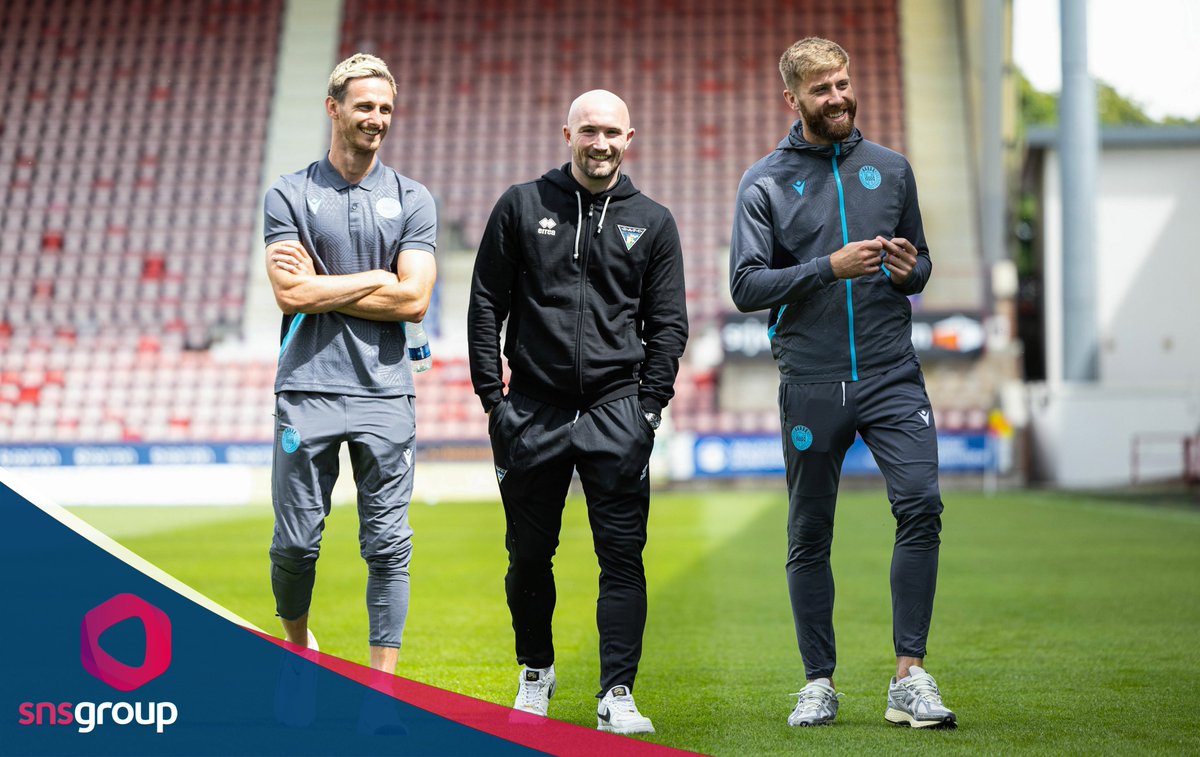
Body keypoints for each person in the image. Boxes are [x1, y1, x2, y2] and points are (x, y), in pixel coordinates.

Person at [729, 38, 956, 729]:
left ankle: (909, 676)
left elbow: (918, 267)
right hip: (812, 379)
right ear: (792, 99)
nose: (838, 97)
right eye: (821, 89)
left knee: (920, 503)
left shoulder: (891, 169)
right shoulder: (763, 182)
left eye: (843, 83)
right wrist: (828, 266)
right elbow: (744, 285)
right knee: (809, 532)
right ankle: (818, 681)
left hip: (891, 372)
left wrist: (909, 268)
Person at [467, 89, 688, 735]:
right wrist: (493, 402)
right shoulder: (521, 204)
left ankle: (616, 692)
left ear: (630, 136)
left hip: (617, 411)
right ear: (567, 133)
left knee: (622, 559)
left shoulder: (653, 220)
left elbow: (668, 324)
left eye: (612, 132)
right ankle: (535, 672)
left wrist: (647, 410)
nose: (601, 143)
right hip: (531, 411)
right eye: (589, 130)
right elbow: (486, 305)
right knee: (529, 557)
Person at [263, 53, 437, 675]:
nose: (377, 118)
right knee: (295, 544)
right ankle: (297, 643)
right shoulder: (288, 193)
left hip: (387, 392)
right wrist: (375, 279)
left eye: (386, 108)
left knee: (389, 545)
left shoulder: (412, 198)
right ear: (334, 108)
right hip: (305, 388)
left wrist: (329, 283)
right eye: (365, 106)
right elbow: (291, 295)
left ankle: (382, 690)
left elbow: (415, 300)